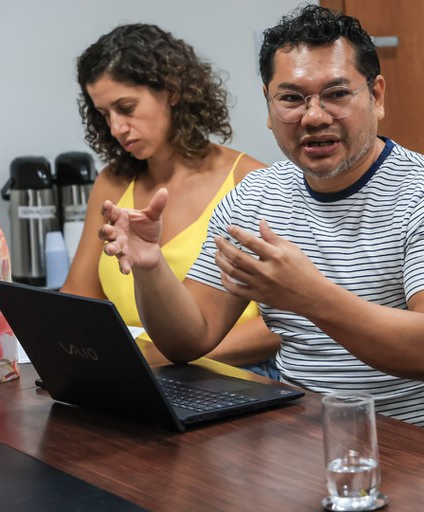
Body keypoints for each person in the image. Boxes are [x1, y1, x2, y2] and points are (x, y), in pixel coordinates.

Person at [97, 5, 424, 434]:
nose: (314, 116)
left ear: (376, 96)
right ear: (268, 108)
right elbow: (188, 339)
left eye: (337, 94)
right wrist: (151, 267)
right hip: (306, 445)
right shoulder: (254, 198)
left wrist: (309, 295)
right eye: (291, 98)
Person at [60, 23, 279, 378]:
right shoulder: (111, 183)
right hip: (134, 372)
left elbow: (280, 324)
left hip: (232, 376)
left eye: (126, 108)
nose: (116, 128)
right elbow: (78, 295)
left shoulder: (250, 181)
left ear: (173, 91)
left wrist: (166, 354)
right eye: (104, 115)